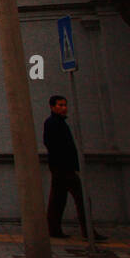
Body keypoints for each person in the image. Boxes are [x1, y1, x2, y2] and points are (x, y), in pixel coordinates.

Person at [42, 94, 104, 240]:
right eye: (60, 105)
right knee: (81, 198)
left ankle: (54, 229)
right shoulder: (53, 123)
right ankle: (88, 231)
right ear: (52, 107)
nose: (64, 108)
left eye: (65, 105)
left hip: (60, 167)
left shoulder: (59, 122)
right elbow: (54, 145)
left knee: (58, 199)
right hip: (63, 168)